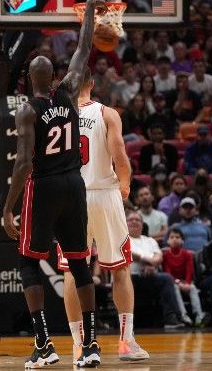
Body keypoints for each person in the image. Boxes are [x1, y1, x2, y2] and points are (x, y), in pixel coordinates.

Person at [2, 0, 105, 369]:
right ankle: (90, 346)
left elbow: (25, 163)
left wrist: (8, 208)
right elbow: (83, 47)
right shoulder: (70, 90)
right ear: (54, 75)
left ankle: (44, 344)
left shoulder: (29, 109)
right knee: (79, 266)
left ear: (31, 80)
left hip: (44, 186)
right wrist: (89, 12)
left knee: (30, 263)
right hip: (74, 184)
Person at [56, 41, 149, 363]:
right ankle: (126, 341)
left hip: (69, 197)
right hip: (103, 195)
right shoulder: (106, 113)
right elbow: (120, 154)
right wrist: (124, 186)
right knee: (120, 269)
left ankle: (78, 343)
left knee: (72, 271)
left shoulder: (56, 117)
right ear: (92, 84)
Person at [126, 210, 185, 330]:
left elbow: (159, 256)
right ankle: (126, 323)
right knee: (125, 279)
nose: (134, 222)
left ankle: (171, 318)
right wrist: (147, 260)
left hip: (149, 276)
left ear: (142, 224)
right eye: (131, 219)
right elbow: (128, 253)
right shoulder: (121, 239)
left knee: (166, 278)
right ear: (125, 223)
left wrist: (152, 266)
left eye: (137, 220)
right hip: (129, 278)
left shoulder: (150, 241)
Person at [163, 229, 206, 326]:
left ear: (182, 240)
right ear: (168, 241)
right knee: (175, 288)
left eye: (177, 237)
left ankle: (199, 315)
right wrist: (178, 282)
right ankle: (183, 315)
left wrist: (187, 283)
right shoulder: (165, 255)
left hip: (186, 281)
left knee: (193, 288)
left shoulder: (187, 254)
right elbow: (168, 272)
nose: (175, 239)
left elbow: (189, 271)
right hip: (173, 282)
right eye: (172, 237)